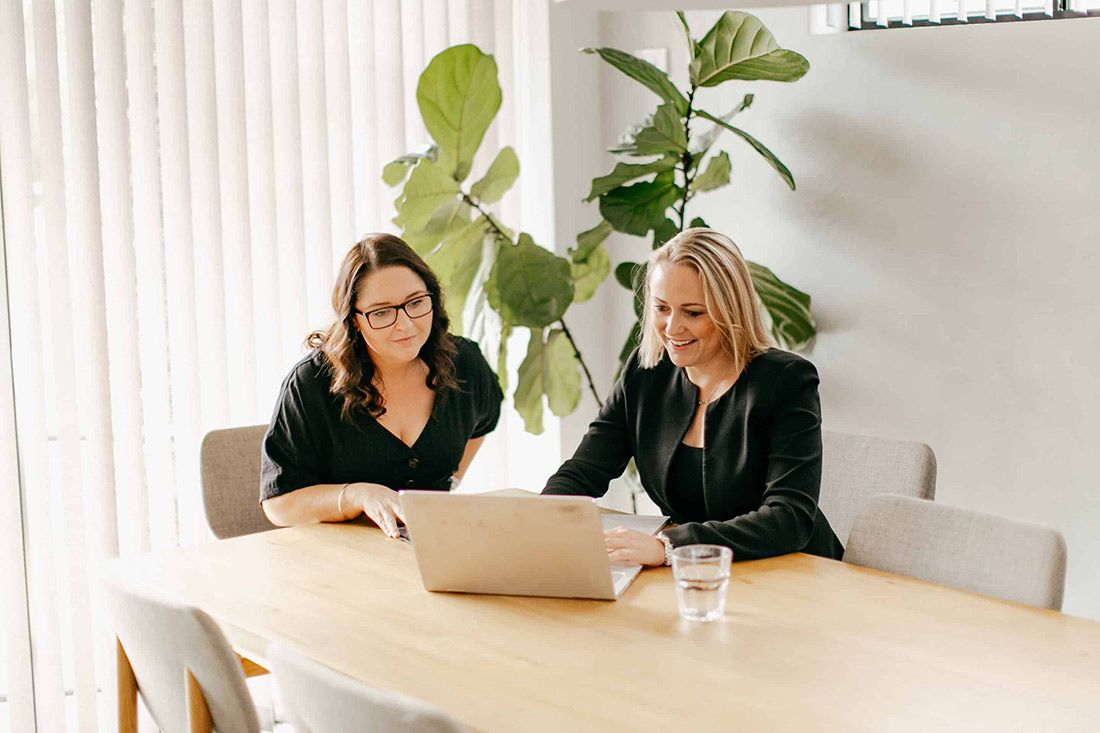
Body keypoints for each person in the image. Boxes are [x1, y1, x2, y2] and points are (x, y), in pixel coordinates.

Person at [543, 228, 842, 566]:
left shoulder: (786, 381)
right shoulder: (646, 374)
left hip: (795, 571)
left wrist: (670, 546)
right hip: (696, 573)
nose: (672, 328)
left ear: (730, 312)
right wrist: (542, 521)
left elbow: (789, 517)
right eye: (661, 308)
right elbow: (584, 471)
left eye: (693, 312)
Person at [261, 233, 503, 537]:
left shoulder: (463, 362)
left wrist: (449, 483)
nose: (405, 324)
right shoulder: (312, 383)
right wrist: (356, 495)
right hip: (339, 559)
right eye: (381, 312)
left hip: (428, 546)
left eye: (415, 303)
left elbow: (485, 419)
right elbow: (278, 504)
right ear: (354, 320)